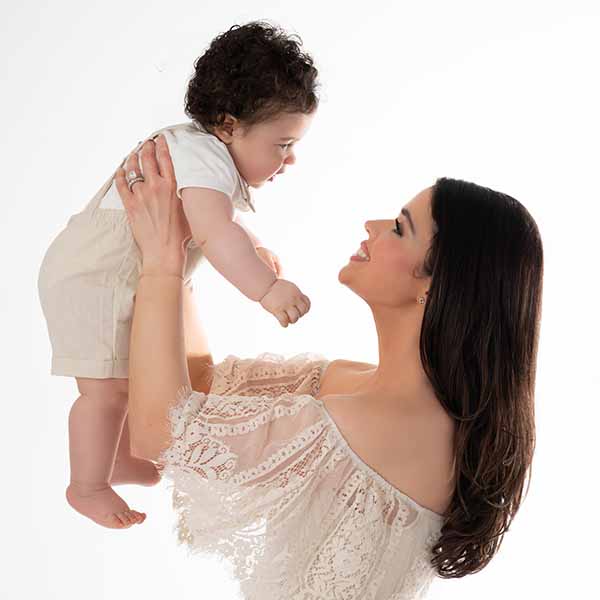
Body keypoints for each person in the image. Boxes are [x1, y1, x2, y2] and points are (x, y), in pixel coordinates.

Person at [117, 137, 544, 597]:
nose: (373, 225)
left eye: (400, 228)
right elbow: (203, 386)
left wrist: (162, 263)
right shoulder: (360, 390)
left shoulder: (381, 423)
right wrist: (188, 244)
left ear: (436, 287)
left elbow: (161, 432)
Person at [36, 22, 317, 528]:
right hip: (92, 280)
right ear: (229, 125)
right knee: (105, 391)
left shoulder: (201, 154)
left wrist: (256, 249)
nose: (290, 159)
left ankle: (119, 458)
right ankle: (87, 485)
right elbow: (212, 232)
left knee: (130, 378)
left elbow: (218, 223)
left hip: (106, 277)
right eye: (282, 144)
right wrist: (266, 288)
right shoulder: (199, 155)